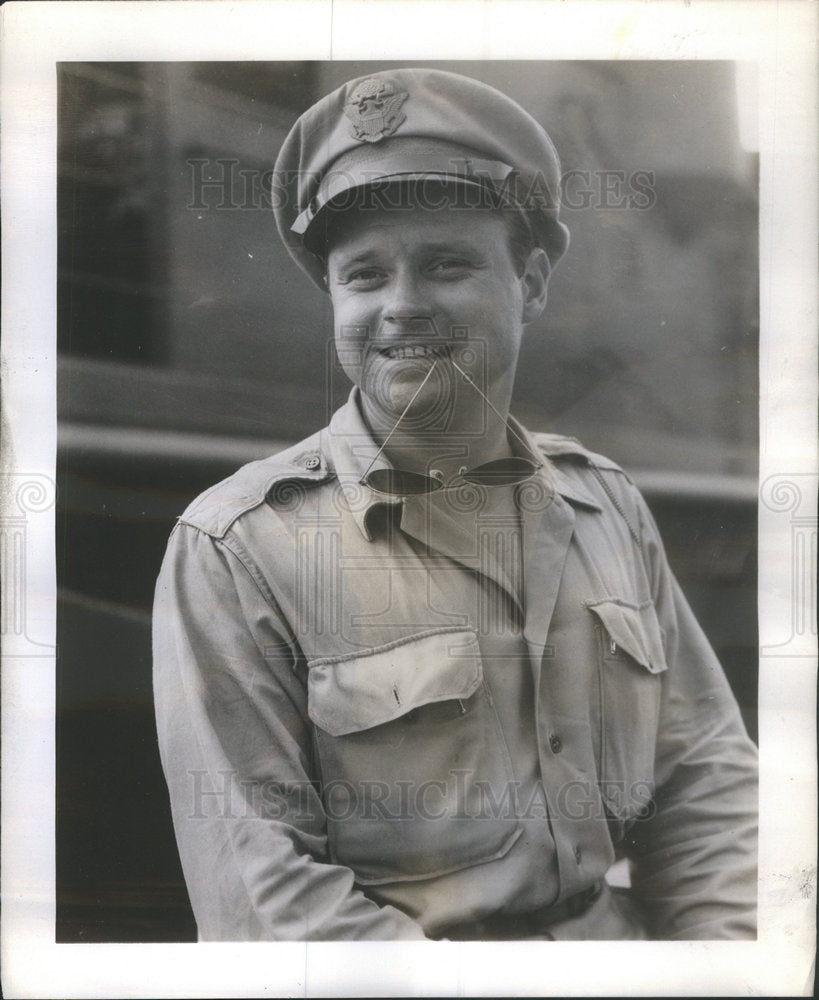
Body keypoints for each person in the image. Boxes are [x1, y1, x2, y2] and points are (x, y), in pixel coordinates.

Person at [152, 68, 758, 941]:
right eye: (364, 276)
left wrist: (722, 966)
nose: (401, 306)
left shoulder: (605, 506)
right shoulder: (240, 545)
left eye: (446, 264)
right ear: (335, 297)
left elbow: (707, 782)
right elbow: (264, 899)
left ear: (534, 282)